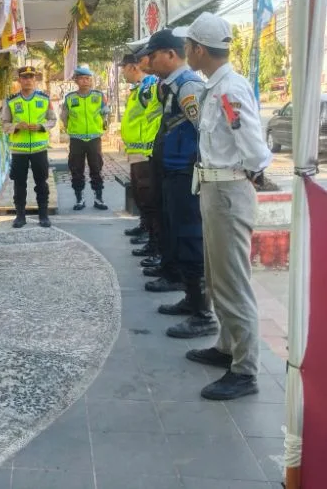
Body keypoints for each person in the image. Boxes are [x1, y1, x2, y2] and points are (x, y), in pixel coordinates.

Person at [175, 12, 272, 400]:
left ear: (198, 49)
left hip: (228, 191)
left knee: (233, 284)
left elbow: (255, 150)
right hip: (216, 191)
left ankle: (245, 370)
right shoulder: (215, 86)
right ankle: (226, 347)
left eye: (188, 46)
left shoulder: (229, 90)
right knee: (219, 278)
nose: (186, 52)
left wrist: (244, 176)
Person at [139, 29, 218, 339]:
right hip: (173, 171)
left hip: (186, 174)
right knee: (176, 231)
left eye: (153, 55)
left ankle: (203, 314)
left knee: (189, 237)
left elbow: (205, 132)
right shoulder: (172, 86)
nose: (149, 61)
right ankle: (190, 299)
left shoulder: (188, 87)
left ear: (171, 54)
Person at [2, 65, 57, 228]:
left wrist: (41, 126)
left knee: (42, 183)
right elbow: (4, 124)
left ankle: (43, 215)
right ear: (19, 80)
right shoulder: (11, 101)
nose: (28, 80)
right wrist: (17, 126)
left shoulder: (44, 99)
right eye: (24, 77)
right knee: (19, 184)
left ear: (35, 80)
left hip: (40, 149)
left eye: (31, 77)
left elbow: (53, 120)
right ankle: (20, 216)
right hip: (19, 151)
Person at [119, 53, 162, 258]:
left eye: (123, 68)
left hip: (146, 151)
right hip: (137, 150)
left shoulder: (148, 86)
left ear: (133, 67)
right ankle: (145, 227)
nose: (122, 72)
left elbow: (153, 118)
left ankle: (153, 240)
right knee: (140, 194)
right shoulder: (139, 88)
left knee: (148, 197)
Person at [61, 66, 109, 210]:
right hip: (77, 139)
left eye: (88, 78)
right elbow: (64, 116)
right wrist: (70, 129)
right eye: (82, 78)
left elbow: (105, 113)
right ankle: (79, 198)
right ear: (76, 80)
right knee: (76, 169)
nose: (85, 81)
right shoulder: (70, 98)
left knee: (96, 168)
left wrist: (102, 127)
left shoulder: (99, 96)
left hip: (94, 139)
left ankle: (98, 198)